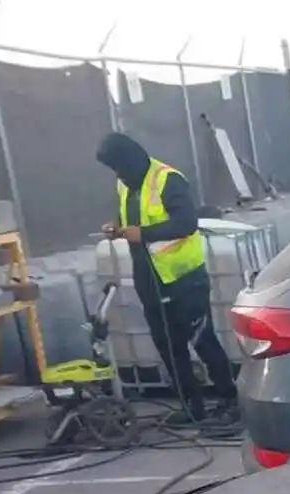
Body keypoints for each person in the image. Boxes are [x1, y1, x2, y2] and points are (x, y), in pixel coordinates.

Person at [94, 132, 236, 423]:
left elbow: (186, 223)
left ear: (130, 159)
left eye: (118, 167)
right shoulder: (125, 184)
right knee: (169, 347)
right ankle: (191, 406)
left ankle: (228, 401)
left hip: (183, 278)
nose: (118, 174)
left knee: (202, 340)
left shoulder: (167, 179)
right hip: (149, 278)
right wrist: (118, 226)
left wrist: (142, 234)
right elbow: (132, 217)